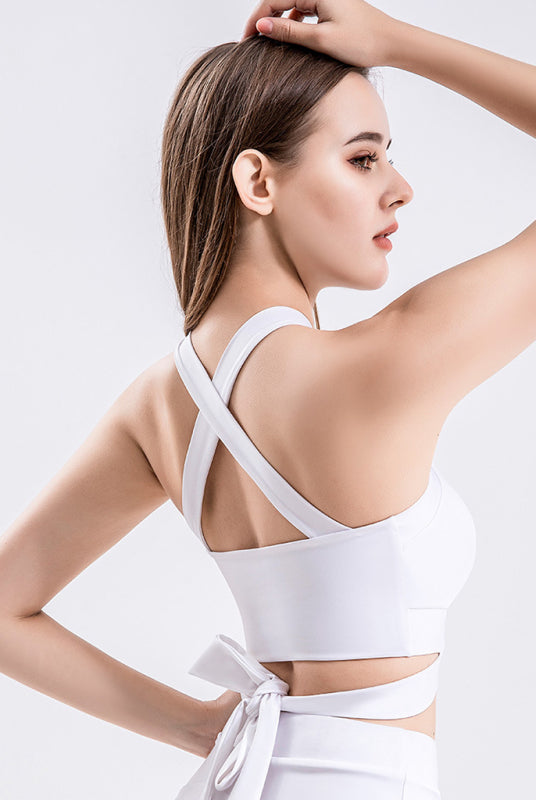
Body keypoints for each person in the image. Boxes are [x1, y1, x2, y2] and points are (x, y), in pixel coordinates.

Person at [0, 0, 534, 798]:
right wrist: (396, 40)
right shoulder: (383, 366)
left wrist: (197, 728)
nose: (401, 189)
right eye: (363, 159)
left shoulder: (159, 404)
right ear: (258, 180)